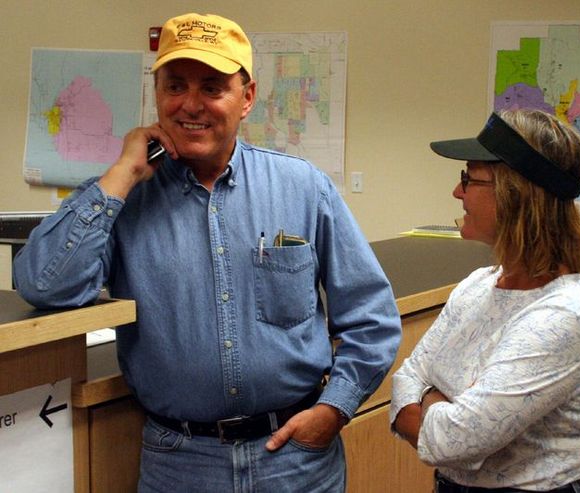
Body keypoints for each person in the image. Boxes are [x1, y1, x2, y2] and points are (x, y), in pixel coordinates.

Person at [13, 12, 401, 492]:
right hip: (180, 463)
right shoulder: (125, 196)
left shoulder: (303, 187)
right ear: (155, 94)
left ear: (247, 98)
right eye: (175, 86)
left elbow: (371, 318)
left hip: (296, 460)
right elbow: (44, 286)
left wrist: (332, 409)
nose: (190, 105)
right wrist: (119, 176)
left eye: (212, 88)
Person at [390, 109, 580, 492]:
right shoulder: (479, 285)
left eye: (468, 179)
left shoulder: (565, 315)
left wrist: (427, 399)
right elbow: (406, 377)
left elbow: (452, 442)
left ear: (515, 194)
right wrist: (440, 401)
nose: (457, 193)